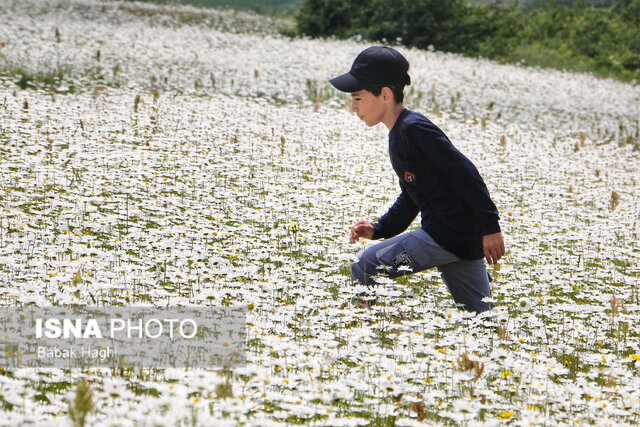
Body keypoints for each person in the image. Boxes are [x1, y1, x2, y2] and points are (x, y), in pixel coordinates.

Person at [329, 46, 505, 313]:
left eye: (357, 98)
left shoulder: (414, 129)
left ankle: (364, 332)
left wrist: (491, 227)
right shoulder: (400, 133)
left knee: (366, 265)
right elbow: (412, 196)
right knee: (480, 319)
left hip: (447, 235)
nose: (353, 108)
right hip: (461, 240)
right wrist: (379, 229)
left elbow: (465, 173)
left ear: (385, 95)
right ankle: (491, 349)